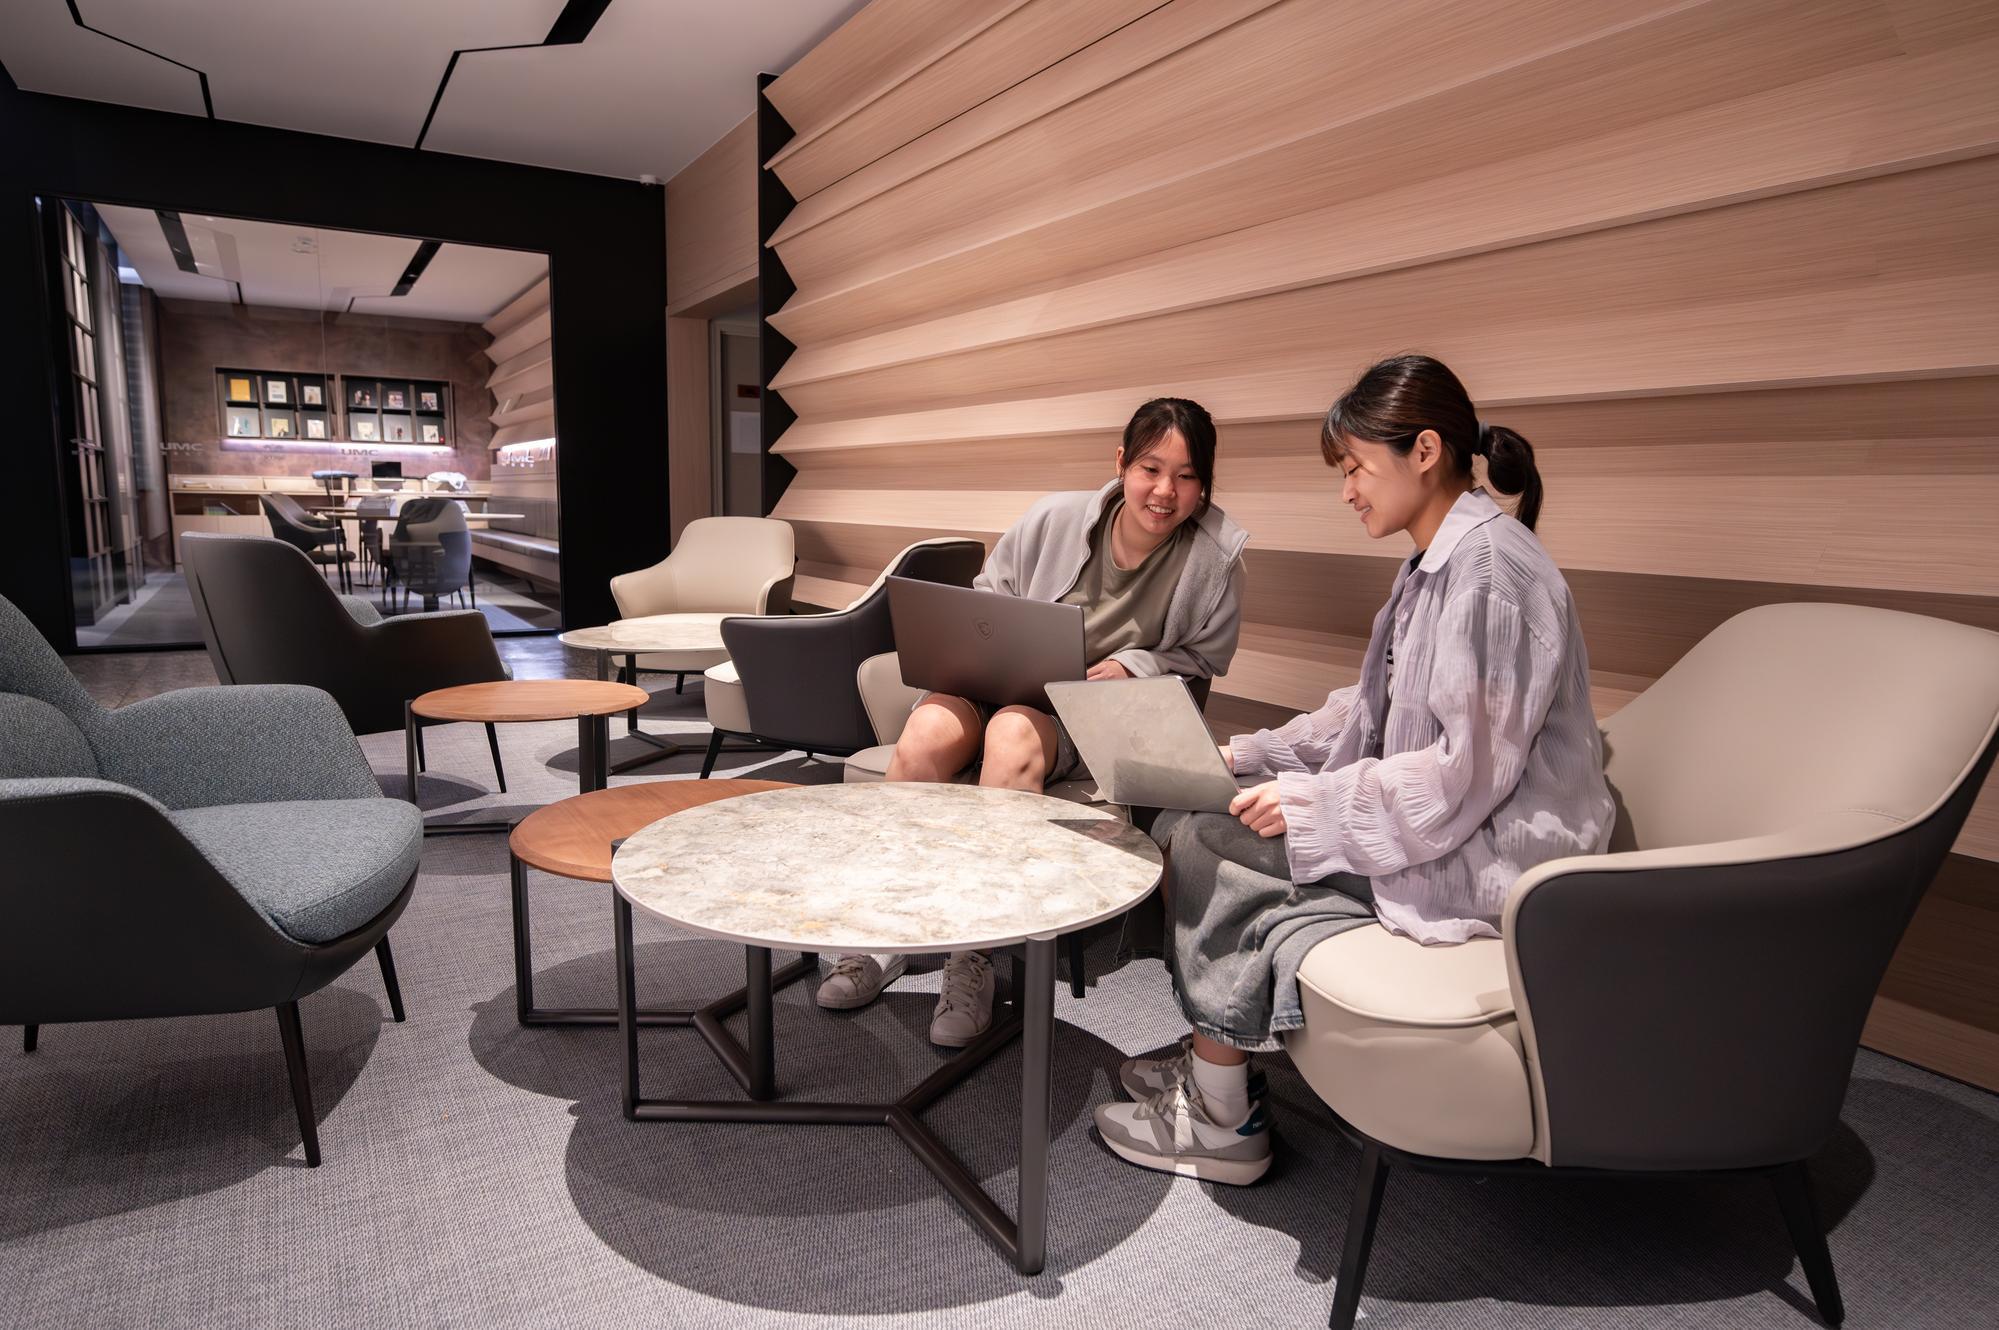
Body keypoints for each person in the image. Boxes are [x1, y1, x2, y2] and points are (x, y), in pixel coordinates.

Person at [1094, 354, 1615, 1184]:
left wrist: (1312, 804)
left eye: (1355, 469)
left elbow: (1462, 776)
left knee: (1200, 843)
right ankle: (1213, 1062)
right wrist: (1242, 755)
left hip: (1492, 854)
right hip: (1449, 819)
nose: (1347, 492)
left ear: (1425, 451)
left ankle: (1223, 1120)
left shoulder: (1488, 572)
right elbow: (1365, 711)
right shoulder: (1436, 562)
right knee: (1194, 815)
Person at [816, 397, 1251, 1045]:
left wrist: (1136, 664)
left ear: (1203, 485)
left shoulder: (1214, 562)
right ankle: (883, 933)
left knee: (1013, 731)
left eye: (1186, 477)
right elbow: (988, 597)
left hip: (1079, 716)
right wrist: (990, 648)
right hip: (995, 678)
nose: (1164, 491)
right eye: (1150, 469)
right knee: (930, 726)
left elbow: (1202, 661)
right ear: (1121, 465)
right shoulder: (1054, 517)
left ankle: (975, 959)